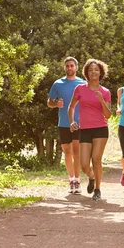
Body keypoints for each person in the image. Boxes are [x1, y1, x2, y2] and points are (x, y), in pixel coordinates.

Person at [68, 59, 111, 201]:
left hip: (100, 129)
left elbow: (108, 115)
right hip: (85, 129)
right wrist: (72, 121)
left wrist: (101, 100)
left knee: (96, 159)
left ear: (101, 73)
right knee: (84, 164)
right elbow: (71, 106)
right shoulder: (80, 89)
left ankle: (97, 189)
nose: (94, 72)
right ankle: (91, 177)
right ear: (86, 72)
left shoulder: (105, 92)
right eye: (91, 70)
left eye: (96, 70)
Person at [48, 56, 85, 194]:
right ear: (65, 68)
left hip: (79, 123)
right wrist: (56, 104)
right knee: (67, 152)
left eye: (72, 66)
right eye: (67, 66)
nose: (70, 68)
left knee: (77, 152)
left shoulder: (83, 84)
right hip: (63, 123)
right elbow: (49, 102)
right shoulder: (58, 84)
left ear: (76, 68)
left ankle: (78, 180)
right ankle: (71, 180)